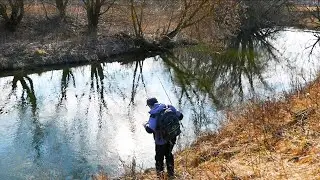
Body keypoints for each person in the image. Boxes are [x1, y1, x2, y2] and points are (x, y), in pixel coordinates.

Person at [143, 97, 183, 179]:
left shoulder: (153, 115)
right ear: (157, 102)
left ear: (150, 105)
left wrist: (145, 125)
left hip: (160, 141)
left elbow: (150, 130)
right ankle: (171, 174)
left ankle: (160, 176)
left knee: (159, 158)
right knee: (169, 154)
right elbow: (181, 116)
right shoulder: (169, 107)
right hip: (172, 137)